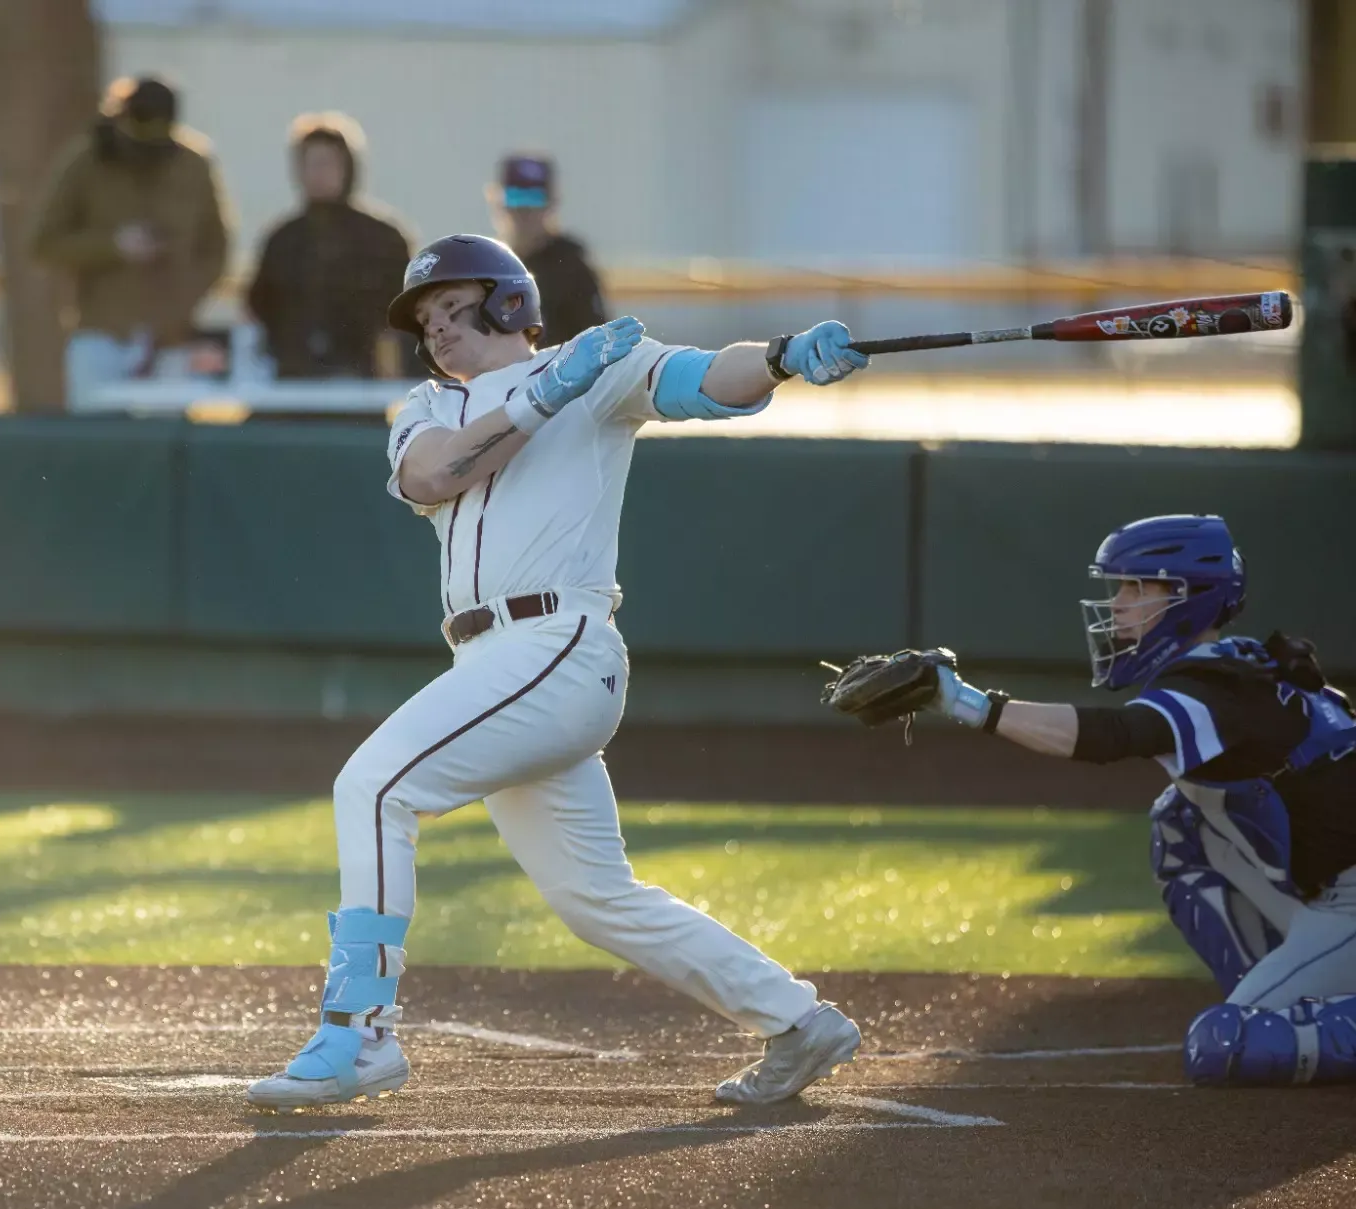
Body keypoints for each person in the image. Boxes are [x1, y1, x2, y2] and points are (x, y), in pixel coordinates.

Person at [245, 234, 872, 1111]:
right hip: (492, 660)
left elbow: (706, 379)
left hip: (558, 644)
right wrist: (543, 397)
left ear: (509, 304)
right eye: (426, 321)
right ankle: (798, 1020)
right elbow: (432, 476)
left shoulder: (600, 370)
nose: (438, 333)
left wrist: (781, 357)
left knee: (376, 787)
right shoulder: (428, 406)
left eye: (453, 310)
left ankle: (359, 1032)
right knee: (593, 896)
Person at [870, 514, 1356, 1086]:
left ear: (1187, 597)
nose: (1119, 603)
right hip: (1325, 888)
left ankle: (1279, 1008)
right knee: (1179, 825)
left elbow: (1112, 737)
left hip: (1346, 904)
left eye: (1136, 587)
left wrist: (967, 703)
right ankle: (1279, 988)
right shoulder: (1239, 665)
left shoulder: (1218, 688)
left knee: (1227, 1047)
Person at [28, 76, 233, 407]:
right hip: (103, 333)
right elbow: (43, 243)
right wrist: (113, 246)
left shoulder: (193, 166)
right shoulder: (87, 163)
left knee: (169, 445)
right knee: (98, 439)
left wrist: (185, 298)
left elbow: (216, 247)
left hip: (171, 336)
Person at [246, 114, 413, 380]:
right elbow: (260, 306)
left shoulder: (383, 239)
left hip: (362, 380)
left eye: (327, 163)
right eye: (310, 164)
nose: (318, 173)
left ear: (348, 168)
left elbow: (405, 313)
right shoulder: (282, 240)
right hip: (293, 379)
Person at [488, 155, 606, 347]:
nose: (525, 209)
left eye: (535, 198)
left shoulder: (571, 266)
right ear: (496, 199)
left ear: (553, 202)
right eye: (515, 196)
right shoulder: (485, 262)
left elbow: (598, 339)